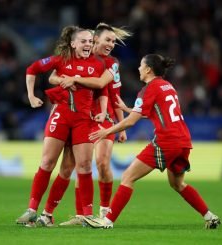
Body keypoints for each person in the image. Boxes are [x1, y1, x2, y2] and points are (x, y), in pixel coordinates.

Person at [81, 54, 221, 229]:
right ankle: (210, 216)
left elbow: (131, 121)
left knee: (127, 177)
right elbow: (160, 111)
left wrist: (107, 131)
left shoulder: (148, 89)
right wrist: (130, 109)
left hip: (166, 140)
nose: (139, 69)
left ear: (148, 69)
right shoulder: (168, 86)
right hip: (183, 141)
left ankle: (107, 221)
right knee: (177, 184)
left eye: (141, 65)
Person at [16, 26, 108, 227]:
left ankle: (85, 215)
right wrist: (31, 96)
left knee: (81, 166)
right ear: (73, 43)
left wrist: (102, 110)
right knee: (48, 162)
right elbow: (32, 69)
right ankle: (32, 210)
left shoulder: (98, 64)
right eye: (83, 41)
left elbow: (102, 89)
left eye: (90, 42)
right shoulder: (60, 60)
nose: (88, 45)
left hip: (84, 120)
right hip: (61, 116)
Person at [49, 23, 132, 226]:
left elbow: (113, 93)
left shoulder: (112, 63)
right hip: (80, 116)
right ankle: (73, 214)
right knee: (73, 166)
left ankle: (104, 211)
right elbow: (57, 81)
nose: (111, 44)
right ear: (95, 40)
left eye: (113, 41)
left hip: (105, 117)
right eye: (108, 40)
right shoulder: (77, 57)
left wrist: (122, 126)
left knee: (103, 163)